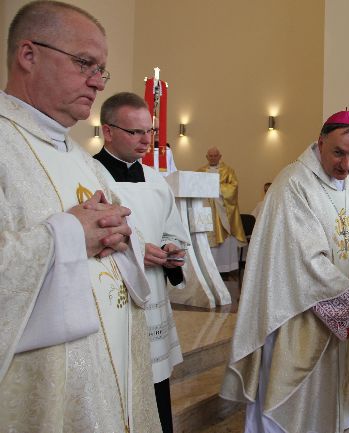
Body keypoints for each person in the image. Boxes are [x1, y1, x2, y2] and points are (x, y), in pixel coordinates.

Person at [0, 2, 161, 432]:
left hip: (111, 382)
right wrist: (70, 236)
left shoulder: (82, 160)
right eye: (84, 62)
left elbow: (118, 241)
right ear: (28, 55)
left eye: (102, 69)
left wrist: (124, 235)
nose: (97, 80)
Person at [220, 110, 349, 433]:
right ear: (320, 142)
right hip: (299, 313)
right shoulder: (294, 185)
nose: (346, 165)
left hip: (339, 310)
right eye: (339, 152)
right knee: (293, 404)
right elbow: (306, 263)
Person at [94, 92, 192, 433]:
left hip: (152, 294)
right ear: (108, 131)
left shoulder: (155, 180)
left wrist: (171, 250)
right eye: (135, 132)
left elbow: (174, 229)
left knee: (154, 383)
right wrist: (133, 247)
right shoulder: (89, 175)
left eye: (148, 132)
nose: (146, 140)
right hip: (113, 299)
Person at [197, 146, 246, 272]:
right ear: (207, 157)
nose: (213, 158)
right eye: (210, 156)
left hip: (222, 211)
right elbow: (195, 187)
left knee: (225, 242)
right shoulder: (200, 171)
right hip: (206, 211)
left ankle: (225, 269)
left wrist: (216, 189)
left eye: (215, 156)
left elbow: (234, 187)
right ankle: (208, 269)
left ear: (220, 156)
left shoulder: (228, 171)